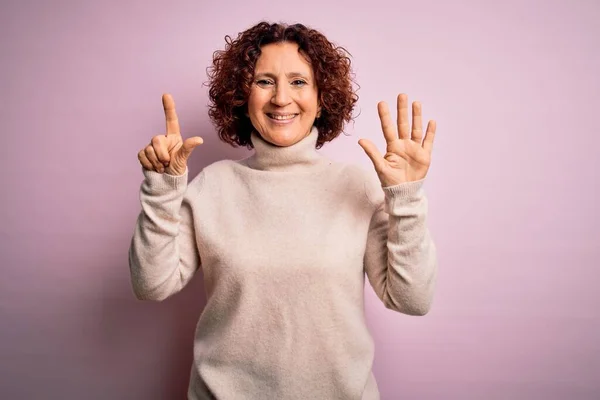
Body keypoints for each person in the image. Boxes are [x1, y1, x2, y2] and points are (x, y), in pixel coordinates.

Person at [130, 21, 438, 400]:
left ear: (322, 97)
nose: (280, 98)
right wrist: (161, 191)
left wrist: (405, 197)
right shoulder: (214, 186)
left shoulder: (356, 186)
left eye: (298, 82)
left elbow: (412, 300)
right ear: (242, 95)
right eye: (263, 81)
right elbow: (152, 285)